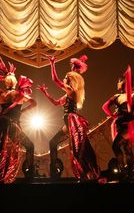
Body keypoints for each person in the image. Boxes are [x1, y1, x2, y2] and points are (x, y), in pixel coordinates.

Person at [37, 54, 100, 182]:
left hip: (72, 121)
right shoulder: (67, 95)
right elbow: (55, 103)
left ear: (71, 80)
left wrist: (52, 63)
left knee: (77, 151)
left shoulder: (72, 91)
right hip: (68, 123)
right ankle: (54, 172)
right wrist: (45, 93)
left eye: (66, 77)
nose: (64, 79)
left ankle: (86, 176)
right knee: (53, 142)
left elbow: (55, 80)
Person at [0, 55, 37, 184]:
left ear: (6, 82)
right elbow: (34, 103)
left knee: (1, 149)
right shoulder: (20, 94)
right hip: (12, 124)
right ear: (15, 81)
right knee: (29, 145)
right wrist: (22, 111)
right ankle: (29, 175)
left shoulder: (2, 94)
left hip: (1, 122)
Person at [102, 64, 134, 181]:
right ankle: (129, 174)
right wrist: (115, 116)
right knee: (127, 149)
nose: (117, 83)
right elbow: (104, 107)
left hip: (127, 126)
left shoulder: (133, 95)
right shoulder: (118, 96)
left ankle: (124, 171)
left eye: (118, 81)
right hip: (121, 125)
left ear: (123, 82)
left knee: (116, 146)